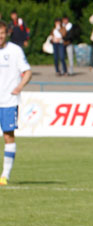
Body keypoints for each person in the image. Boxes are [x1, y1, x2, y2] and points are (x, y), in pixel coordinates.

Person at [0, 20, 31, 186]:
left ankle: (5, 174)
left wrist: (19, 87)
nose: (0, 36)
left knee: (8, 135)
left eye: (2, 33)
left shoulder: (15, 50)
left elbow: (27, 72)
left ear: (7, 33)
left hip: (8, 101)